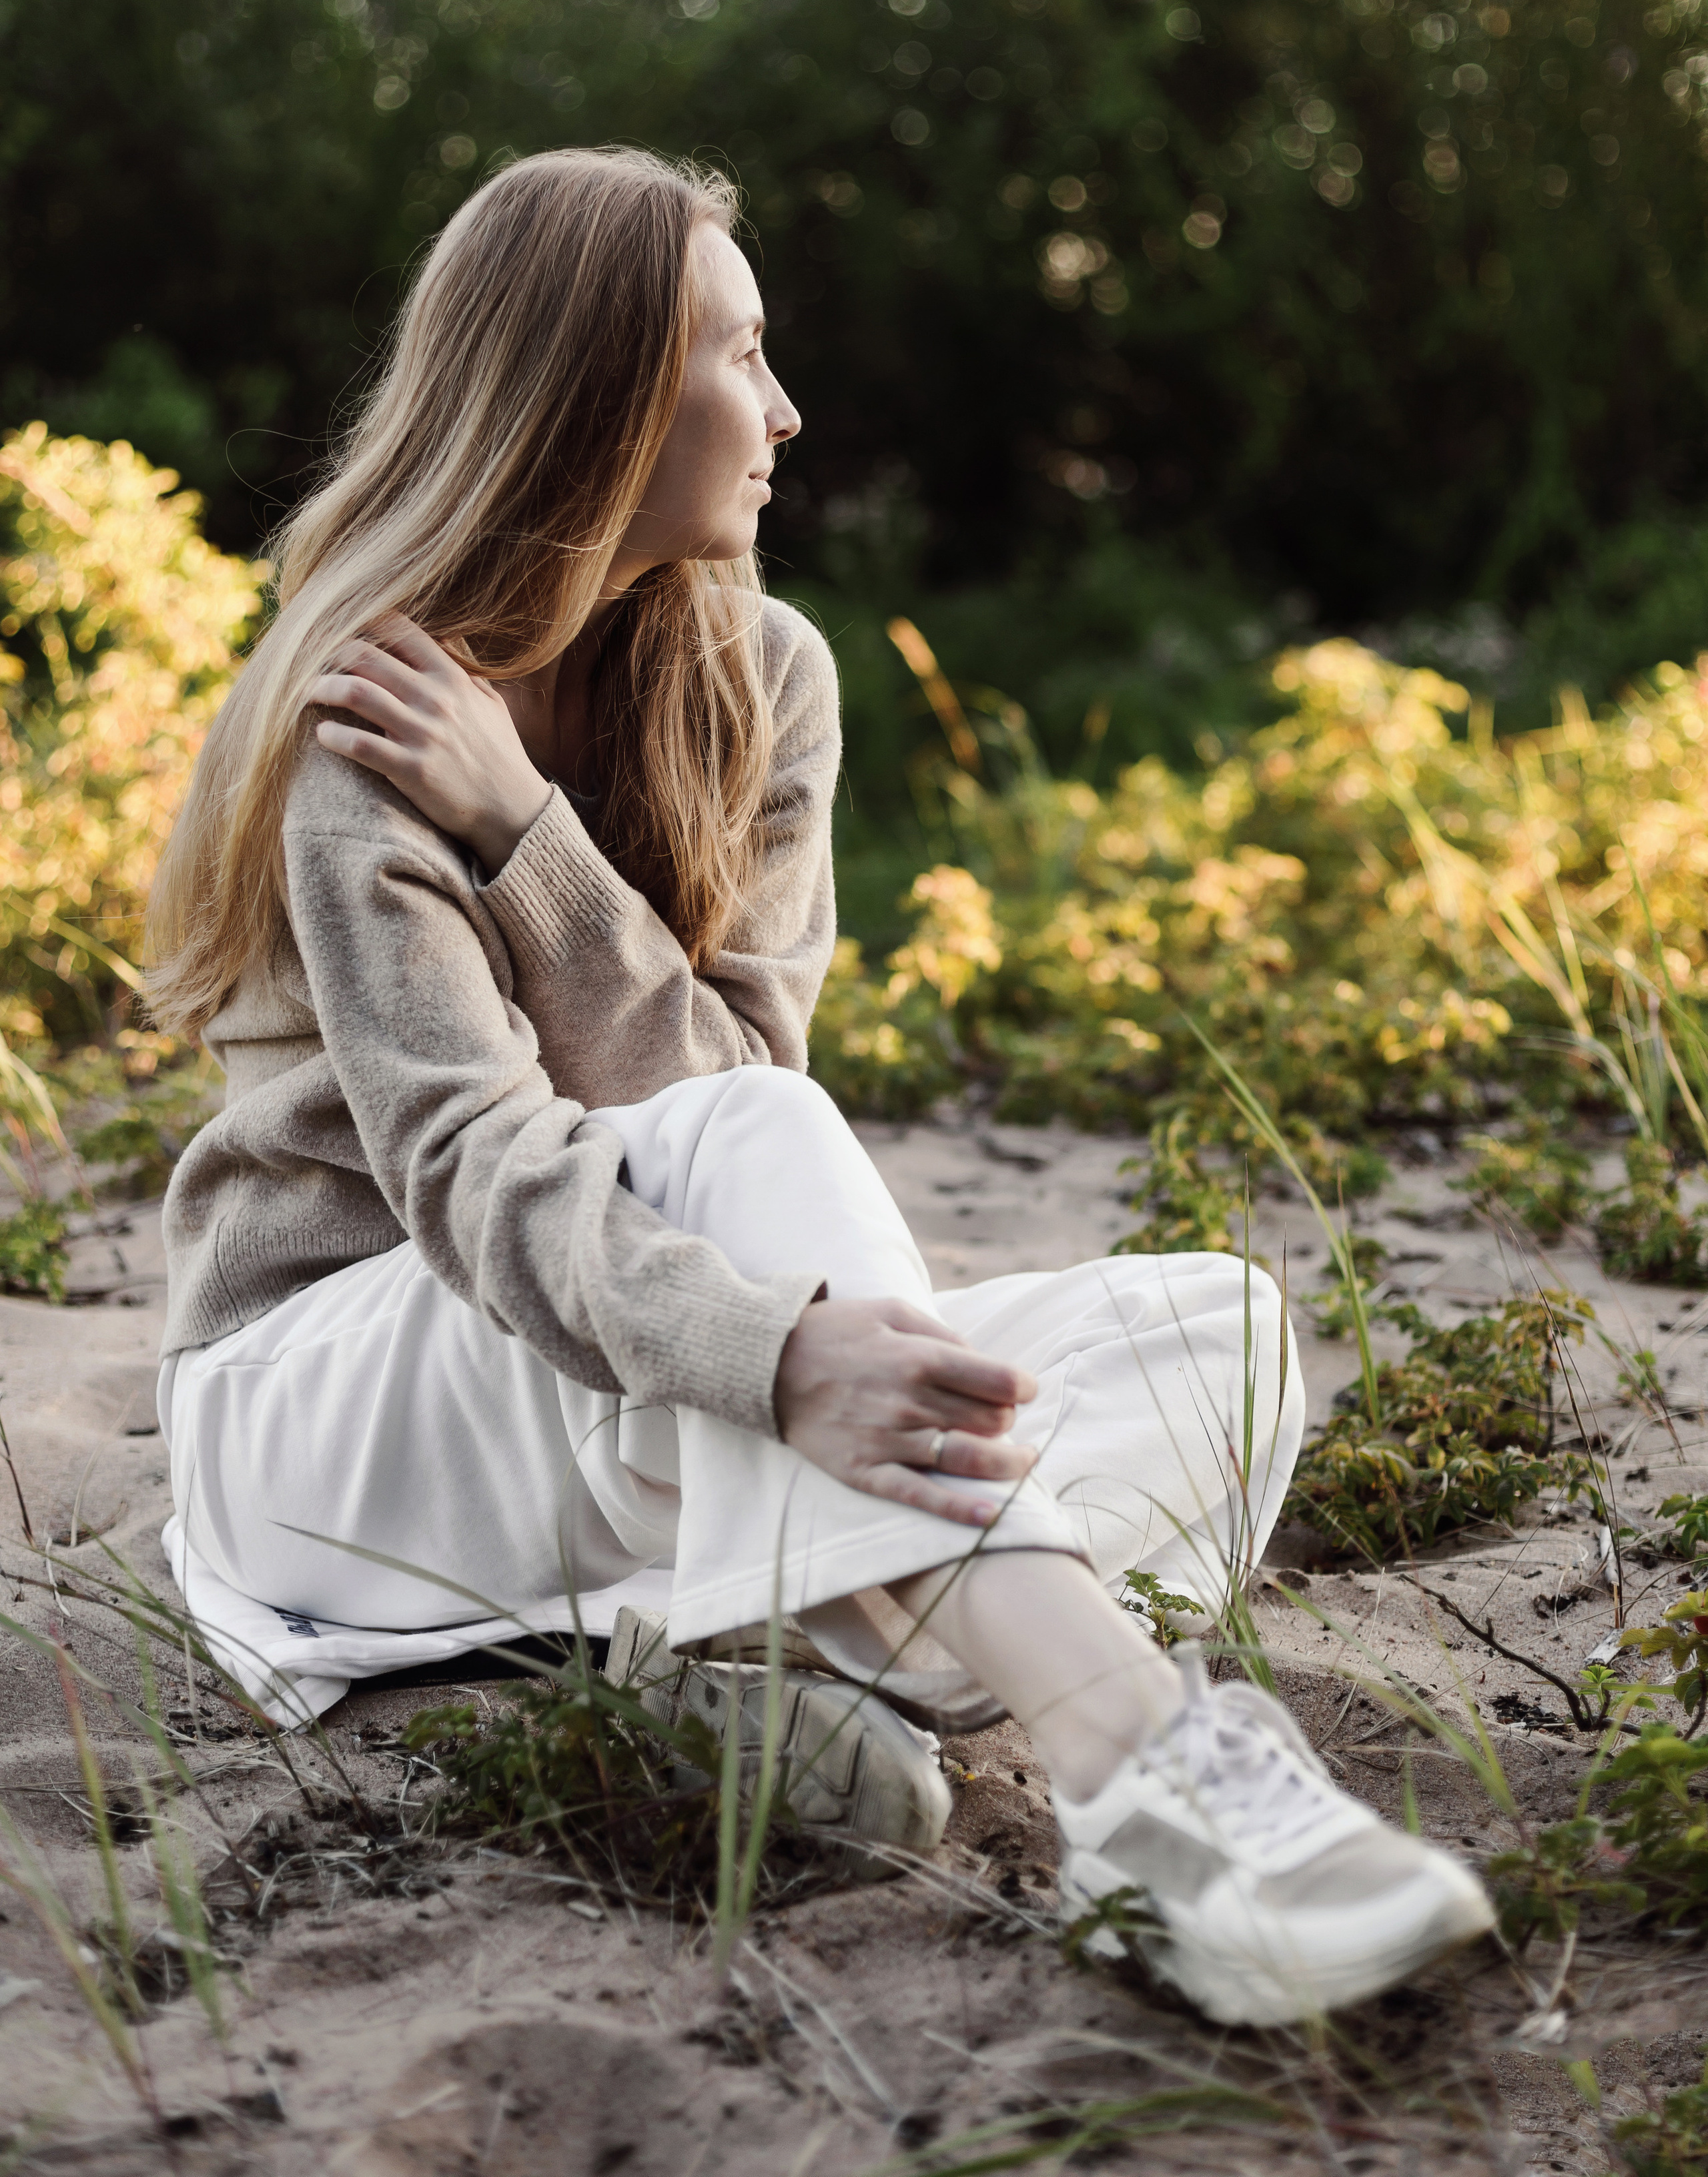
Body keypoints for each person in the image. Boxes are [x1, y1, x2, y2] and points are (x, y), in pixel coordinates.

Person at [145, 145, 1491, 2028]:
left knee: (1233, 1335)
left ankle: (715, 1657)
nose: (784, 411)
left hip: (610, 1370)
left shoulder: (765, 679)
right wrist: (786, 1355)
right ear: (600, 398)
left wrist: (530, 840)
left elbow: (736, 1094)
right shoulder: (375, 715)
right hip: (332, 1402)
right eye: (740, 355)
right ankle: (1136, 1764)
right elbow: (482, 1178)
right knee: (784, 1246)